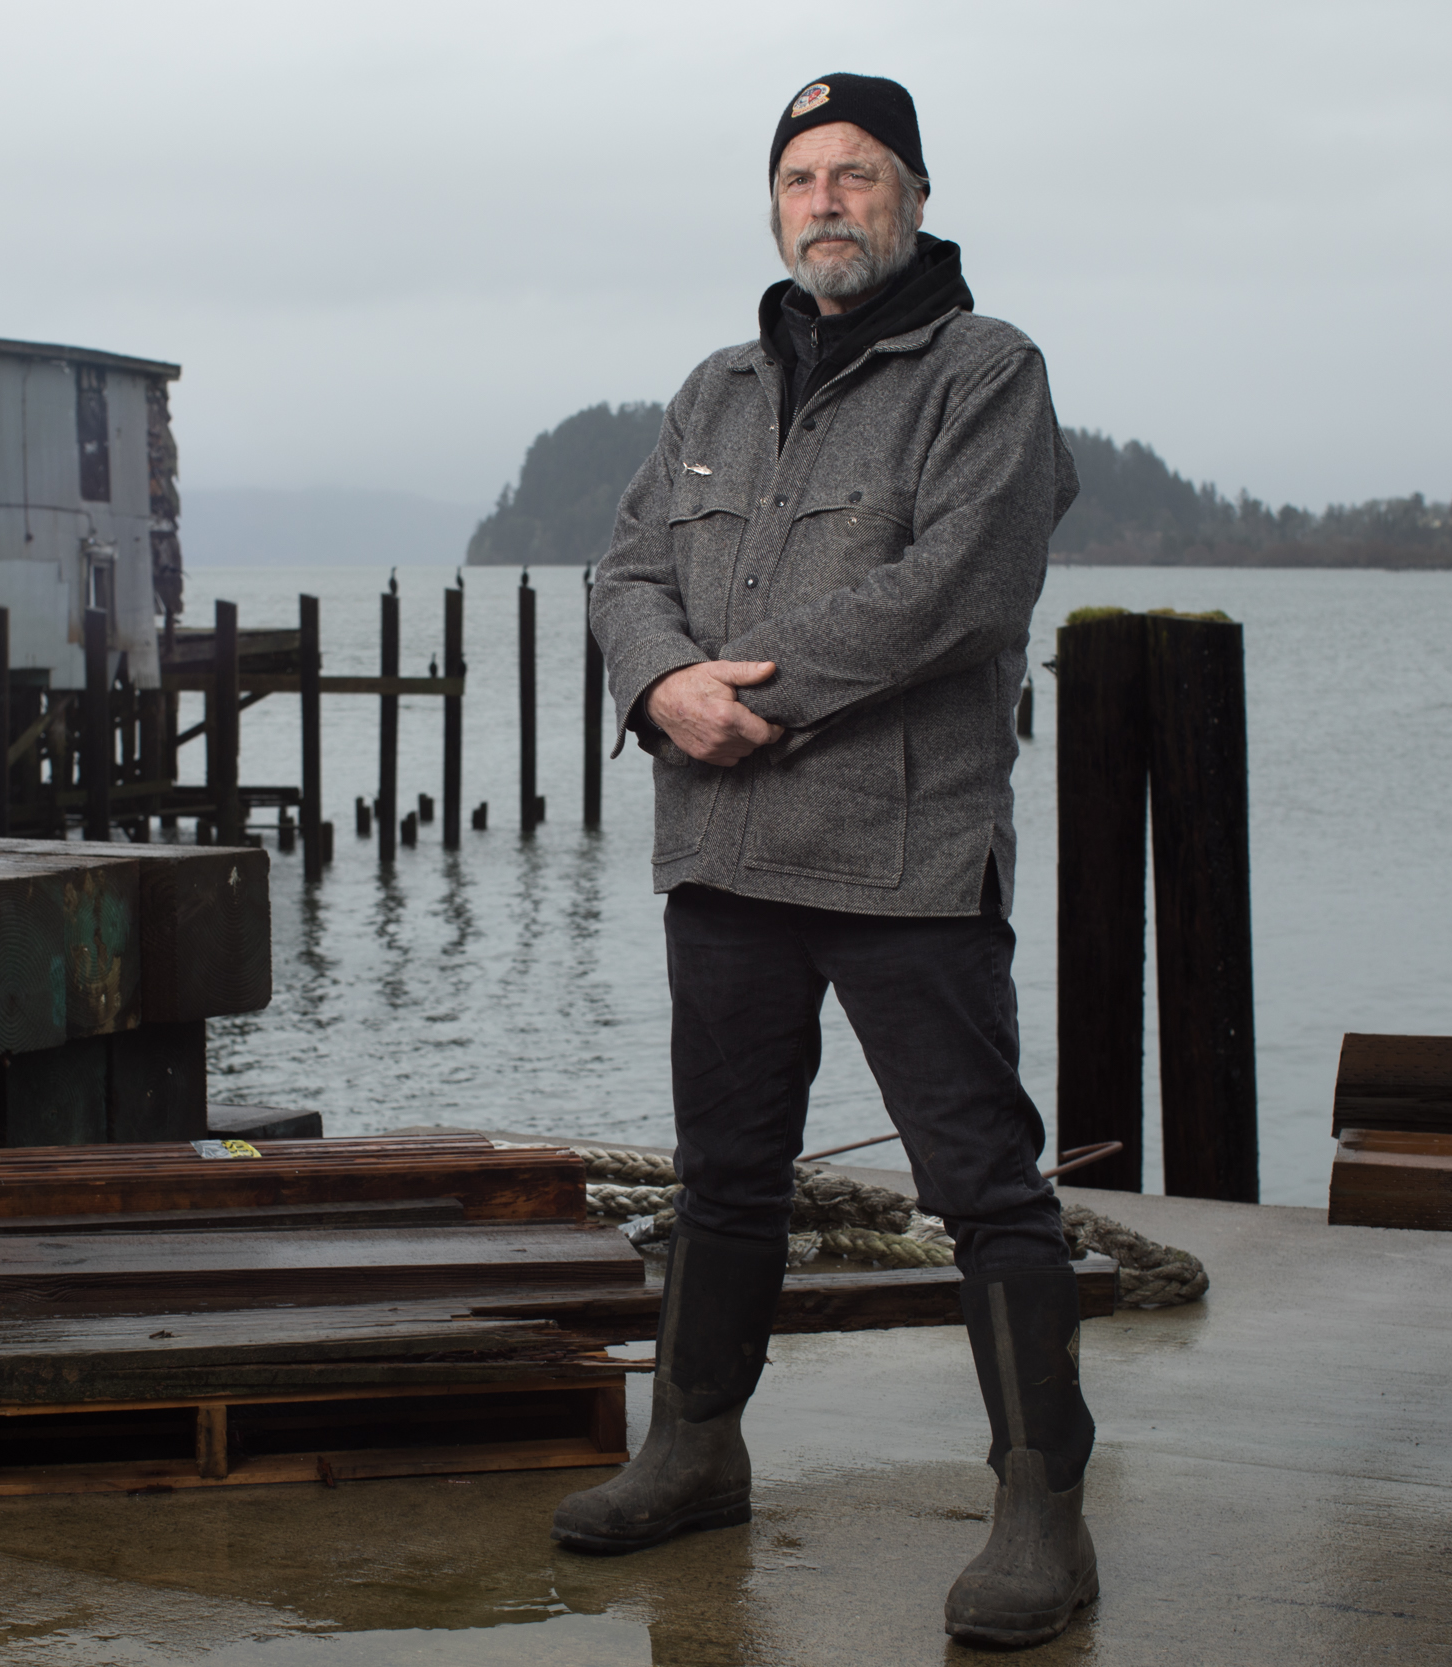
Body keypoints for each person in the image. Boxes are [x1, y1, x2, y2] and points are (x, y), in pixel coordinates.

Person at [561, 73, 1095, 1648]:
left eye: (859, 172)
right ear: (775, 207)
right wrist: (662, 683)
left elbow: (962, 587)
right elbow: (628, 563)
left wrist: (747, 695)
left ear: (915, 197)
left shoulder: (986, 371)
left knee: (984, 1187)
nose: (828, 200)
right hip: (721, 853)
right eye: (802, 177)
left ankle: (1041, 1510)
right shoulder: (717, 386)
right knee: (725, 1178)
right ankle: (697, 1449)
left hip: (903, 857)